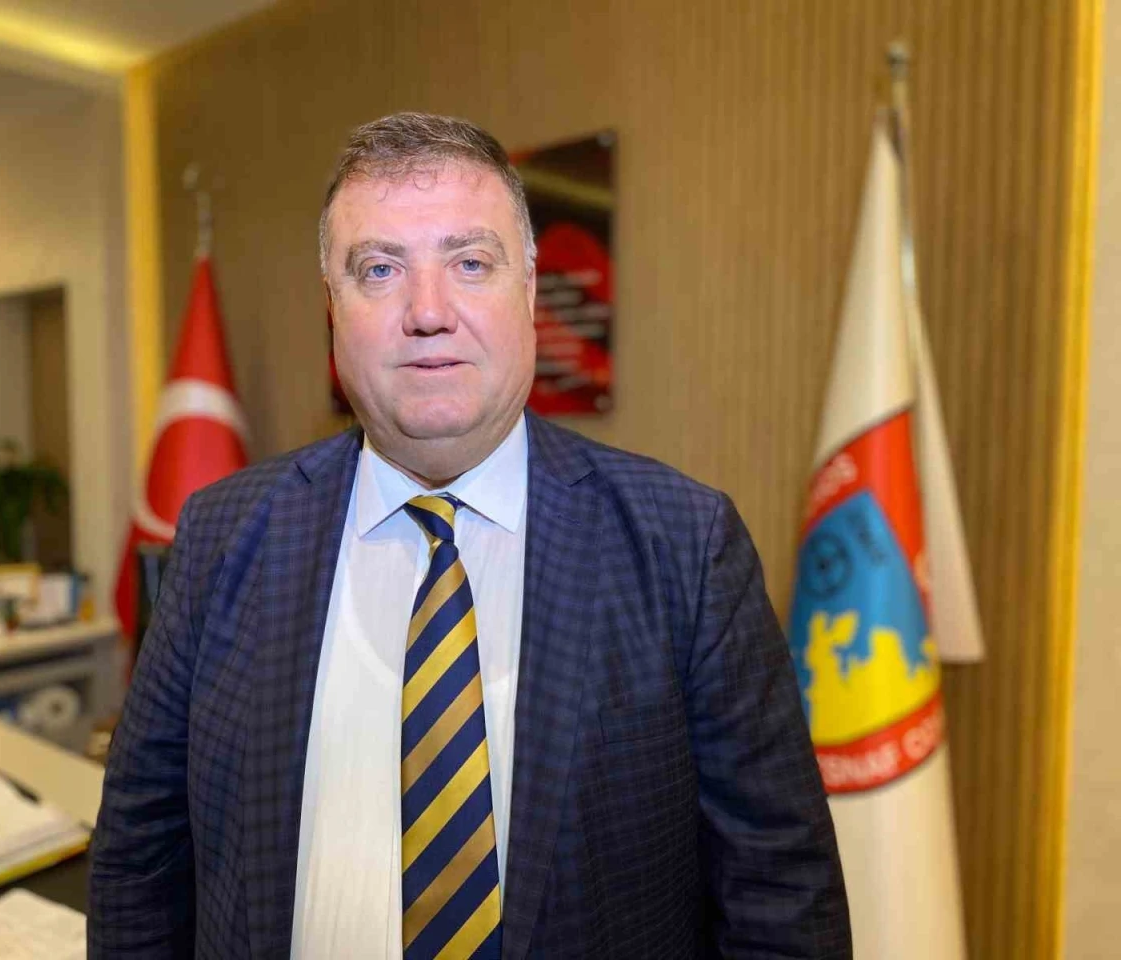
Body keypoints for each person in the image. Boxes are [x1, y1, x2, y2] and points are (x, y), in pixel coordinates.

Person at [89, 111, 851, 960]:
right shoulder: (222, 536)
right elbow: (139, 858)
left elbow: (780, 895)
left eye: (470, 263)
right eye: (380, 270)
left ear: (528, 292)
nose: (427, 311)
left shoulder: (685, 545)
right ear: (332, 309)